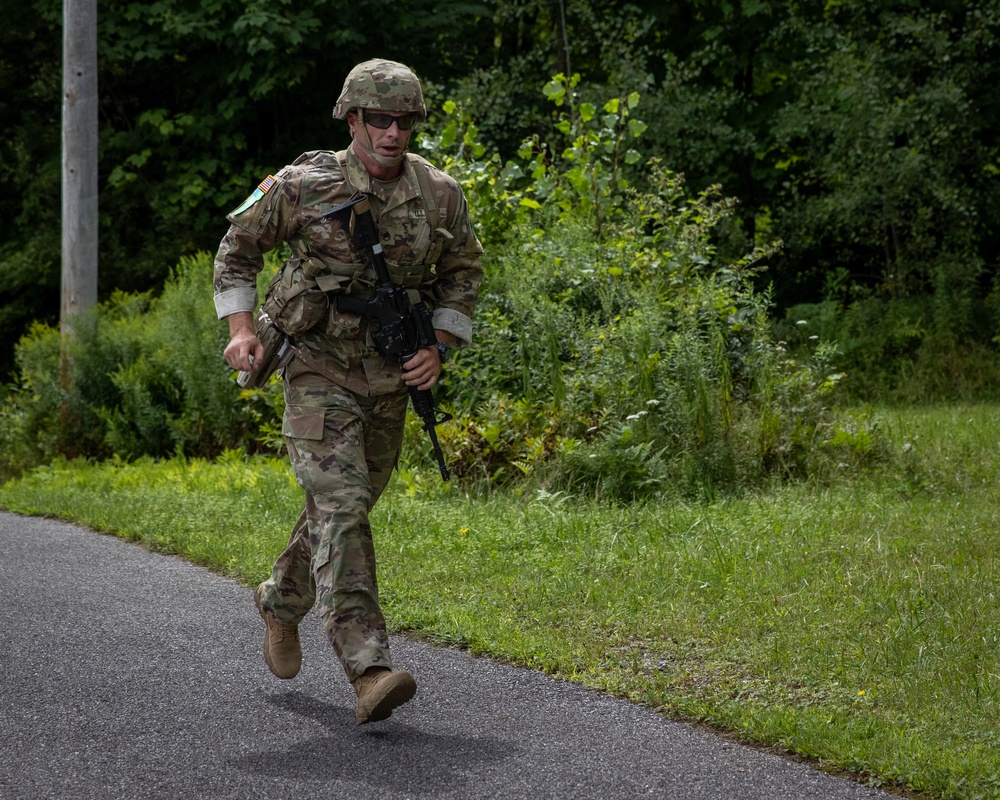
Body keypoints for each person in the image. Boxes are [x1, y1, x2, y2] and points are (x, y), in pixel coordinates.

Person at [213, 58, 483, 724]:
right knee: (342, 503)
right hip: (316, 365)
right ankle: (370, 668)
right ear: (353, 119)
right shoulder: (301, 185)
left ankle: (281, 598)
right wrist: (242, 330)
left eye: (404, 121)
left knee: (344, 510)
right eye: (379, 120)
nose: (392, 134)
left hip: (390, 378)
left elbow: (464, 272)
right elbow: (236, 249)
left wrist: (438, 349)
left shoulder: (440, 193)